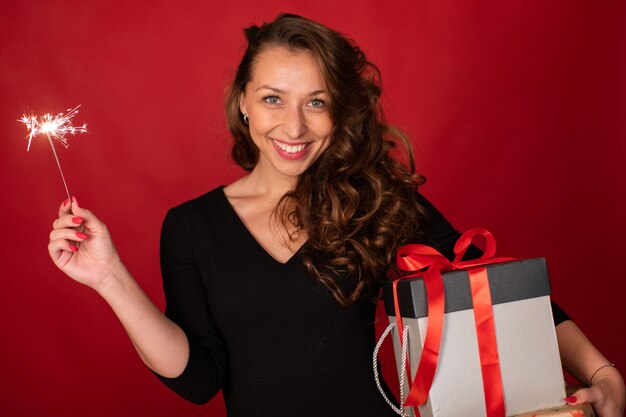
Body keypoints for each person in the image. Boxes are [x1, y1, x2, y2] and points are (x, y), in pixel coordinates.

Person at [48, 13, 624, 417]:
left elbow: (496, 292)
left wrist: (600, 374)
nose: (294, 128)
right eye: (273, 98)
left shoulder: (373, 200)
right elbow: (199, 381)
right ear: (243, 102)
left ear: (338, 112)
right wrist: (109, 279)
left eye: (316, 103)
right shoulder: (192, 227)